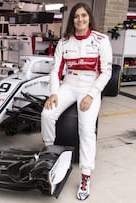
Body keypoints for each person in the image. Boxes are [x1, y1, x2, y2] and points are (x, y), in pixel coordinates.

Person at [41, 2, 112, 201]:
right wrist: (54, 92)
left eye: (83, 15)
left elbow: (106, 72)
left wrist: (91, 95)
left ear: (89, 18)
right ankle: (49, 155)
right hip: (69, 84)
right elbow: (55, 70)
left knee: (87, 128)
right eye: (76, 16)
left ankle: (85, 176)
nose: (80, 19)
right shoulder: (64, 42)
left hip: (90, 86)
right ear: (72, 20)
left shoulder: (101, 40)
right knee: (46, 114)